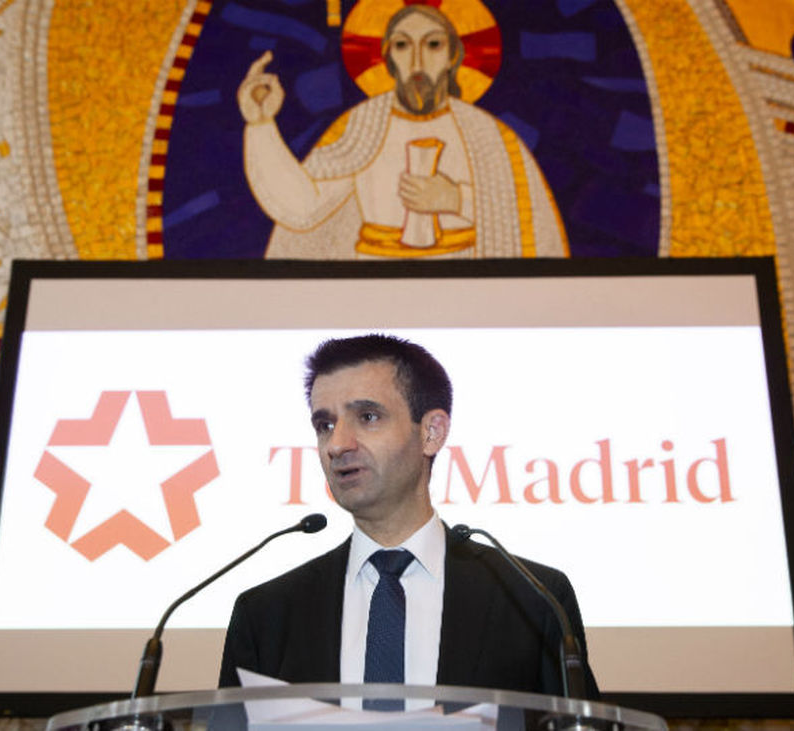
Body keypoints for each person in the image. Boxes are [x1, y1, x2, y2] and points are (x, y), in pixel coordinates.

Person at [218, 334, 599, 706]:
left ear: (431, 433)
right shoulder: (265, 613)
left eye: (367, 417)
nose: (337, 445)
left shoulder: (533, 600)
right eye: (325, 425)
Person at [238, 4, 568, 260]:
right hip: (371, 287)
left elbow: (532, 221)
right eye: (402, 45)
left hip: (470, 289)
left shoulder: (488, 135)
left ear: (454, 55)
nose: (418, 62)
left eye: (434, 44)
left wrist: (455, 199)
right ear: (388, 57)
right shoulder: (362, 127)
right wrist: (261, 125)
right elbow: (302, 209)